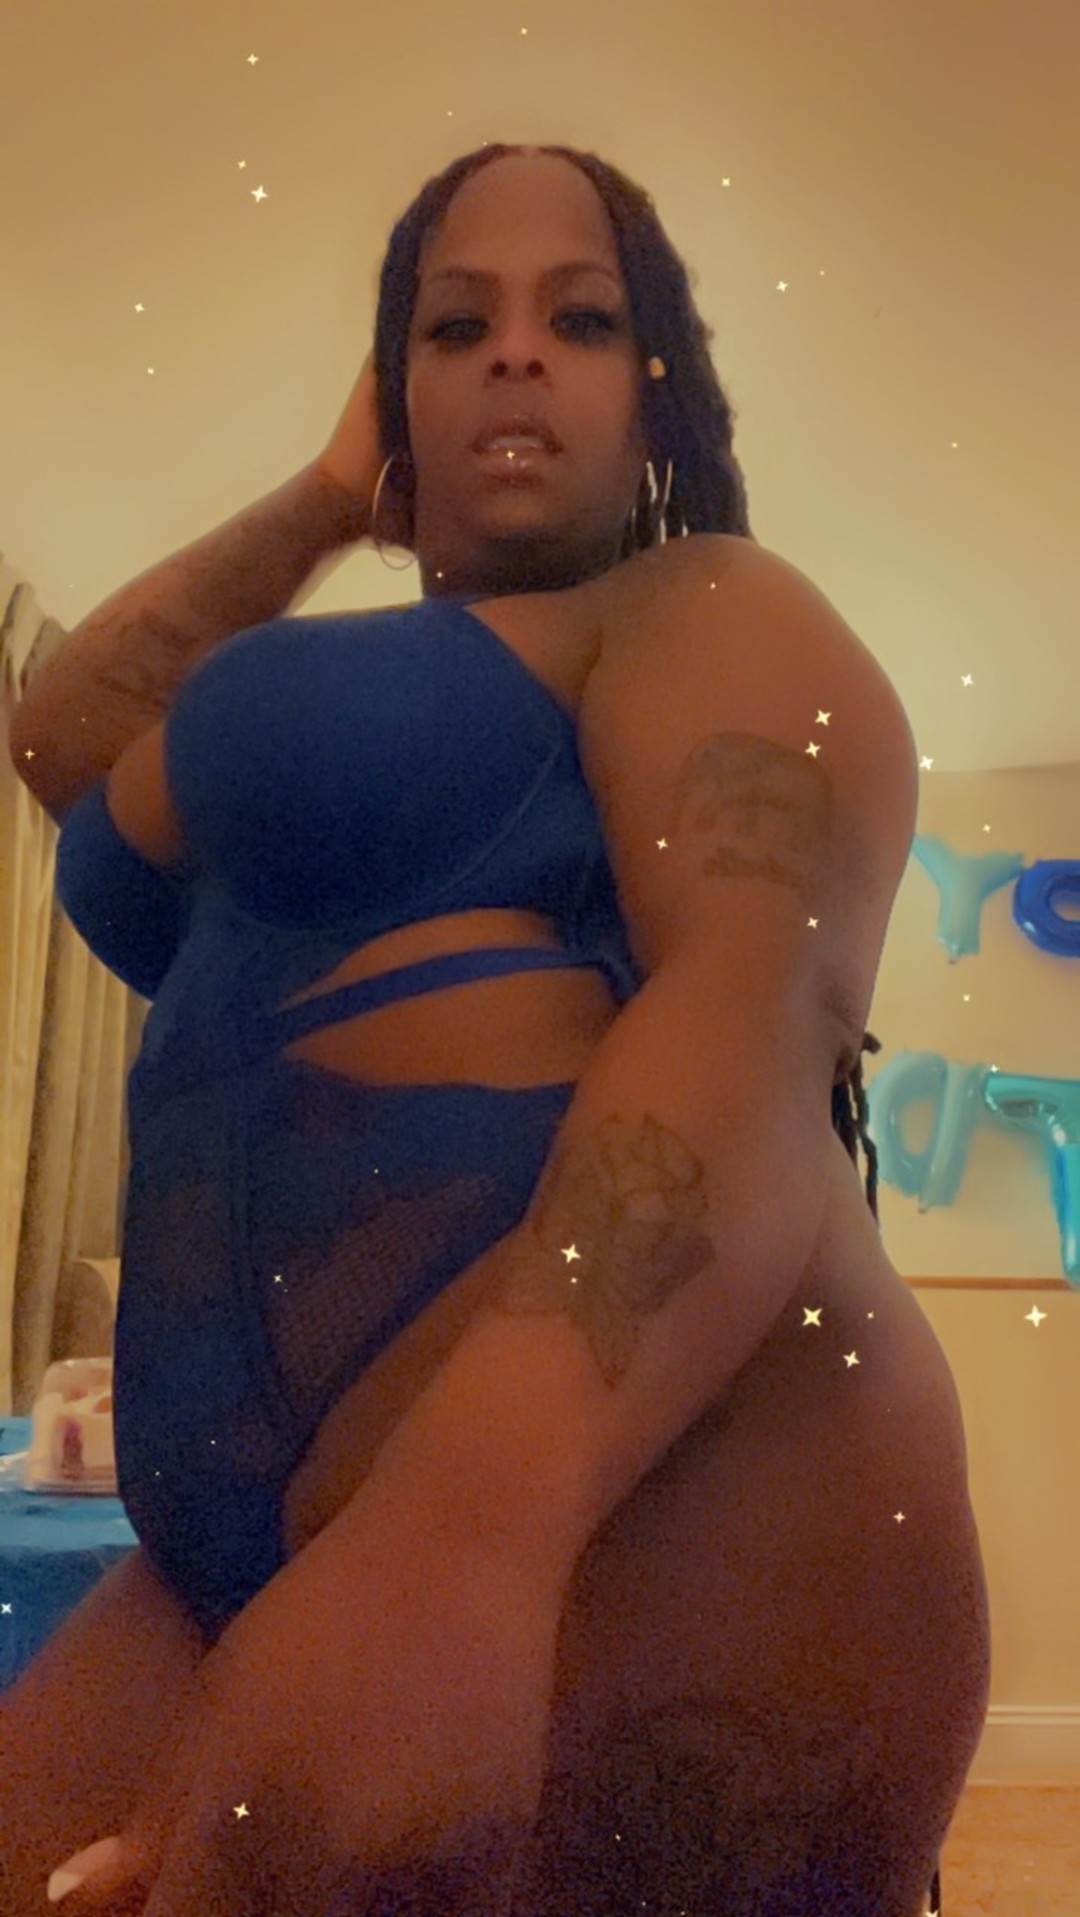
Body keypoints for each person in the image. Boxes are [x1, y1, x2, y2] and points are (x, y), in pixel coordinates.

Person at [2, 144, 988, 1916]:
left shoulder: (704, 605)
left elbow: (750, 1014)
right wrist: (333, 491)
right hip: (256, 1550)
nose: (516, 352)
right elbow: (59, 735)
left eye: (581, 319)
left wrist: (466, 1531)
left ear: (655, 395)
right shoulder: (316, 676)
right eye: (456, 326)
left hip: (598, 1506)